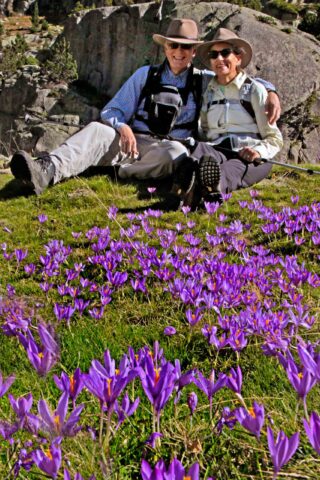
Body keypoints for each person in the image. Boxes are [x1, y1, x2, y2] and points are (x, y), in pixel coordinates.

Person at [10, 19, 280, 195]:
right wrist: (123, 127)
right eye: (174, 45)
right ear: (165, 48)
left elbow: (233, 76)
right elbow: (112, 111)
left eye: (186, 48)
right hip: (130, 138)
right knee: (95, 129)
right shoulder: (144, 75)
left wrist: (270, 91)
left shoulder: (203, 80)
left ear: (194, 52)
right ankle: (46, 170)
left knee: (177, 155)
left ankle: (111, 168)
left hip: (167, 148)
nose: (179, 52)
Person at [171, 28, 283, 209]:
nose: (219, 59)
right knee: (198, 150)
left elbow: (274, 138)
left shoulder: (254, 90)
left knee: (231, 169)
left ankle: (210, 188)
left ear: (238, 58)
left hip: (248, 154)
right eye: (214, 55)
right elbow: (205, 132)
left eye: (225, 53)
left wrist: (258, 152)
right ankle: (187, 184)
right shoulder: (209, 92)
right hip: (218, 149)